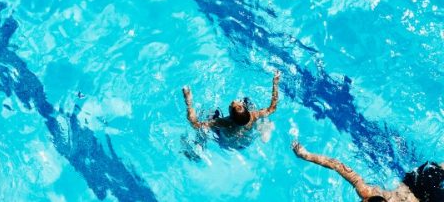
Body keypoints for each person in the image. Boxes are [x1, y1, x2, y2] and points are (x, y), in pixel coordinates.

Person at [292, 141, 444, 202]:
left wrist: (307, 155)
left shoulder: (367, 192)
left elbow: (337, 166)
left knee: (432, 170)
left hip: (411, 184)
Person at [181, 71, 280, 135]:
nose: (235, 100)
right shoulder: (254, 115)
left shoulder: (222, 122)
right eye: (239, 103)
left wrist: (189, 103)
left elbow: (195, 125)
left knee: (212, 113)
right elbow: (272, 108)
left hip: (226, 143)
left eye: (232, 104)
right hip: (244, 142)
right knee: (247, 100)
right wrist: (275, 84)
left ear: (230, 115)